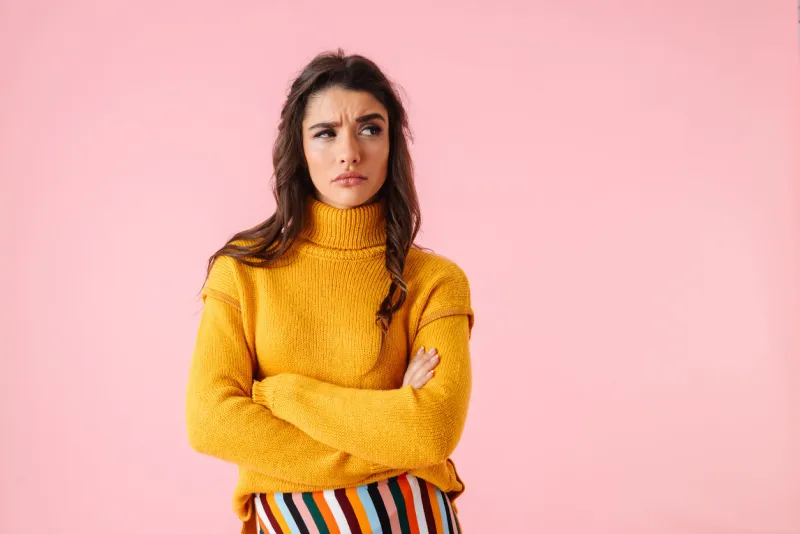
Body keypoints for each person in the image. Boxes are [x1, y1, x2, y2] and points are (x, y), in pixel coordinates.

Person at [185, 48, 474, 534]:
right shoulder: (244, 271)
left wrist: (284, 395)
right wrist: (388, 430)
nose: (349, 152)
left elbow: (430, 431)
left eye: (369, 128)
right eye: (325, 132)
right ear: (298, 148)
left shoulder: (436, 281)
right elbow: (211, 422)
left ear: (392, 145)